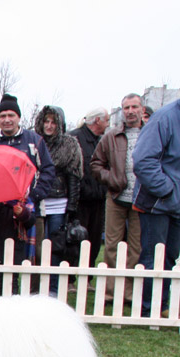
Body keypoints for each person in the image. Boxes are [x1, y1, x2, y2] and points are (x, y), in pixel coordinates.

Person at [0, 94, 55, 296]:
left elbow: (48, 170)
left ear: (18, 117)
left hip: (30, 210)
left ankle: (30, 295)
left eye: (11, 115)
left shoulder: (34, 141)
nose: (7, 120)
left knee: (32, 254)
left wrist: (35, 195)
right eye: (3, 116)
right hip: (0, 212)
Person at [91, 93, 144, 303]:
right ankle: (110, 292)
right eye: (126, 107)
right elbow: (96, 164)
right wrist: (111, 179)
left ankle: (129, 293)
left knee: (136, 247)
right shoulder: (111, 136)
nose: (130, 111)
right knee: (111, 246)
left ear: (142, 109)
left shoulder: (150, 133)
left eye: (134, 107)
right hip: (116, 196)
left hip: (141, 200)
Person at [132, 98, 180, 317]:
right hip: (156, 203)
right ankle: (148, 308)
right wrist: (167, 189)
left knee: (170, 257)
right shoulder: (164, 118)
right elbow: (142, 160)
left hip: (176, 203)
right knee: (153, 258)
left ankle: (162, 305)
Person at [33, 105, 83, 295]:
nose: (49, 125)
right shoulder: (35, 142)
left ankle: (53, 288)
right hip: (37, 202)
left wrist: (72, 205)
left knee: (55, 247)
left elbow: (74, 176)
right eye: (46, 121)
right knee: (36, 248)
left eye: (53, 122)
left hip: (59, 203)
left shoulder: (69, 145)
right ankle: (36, 288)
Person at [69, 107, 110, 267]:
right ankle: (72, 275)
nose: (108, 124)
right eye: (107, 120)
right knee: (76, 239)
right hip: (80, 201)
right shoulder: (74, 138)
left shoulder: (102, 140)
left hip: (98, 199)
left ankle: (89, 273)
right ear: (98, 120)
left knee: (94, 239)